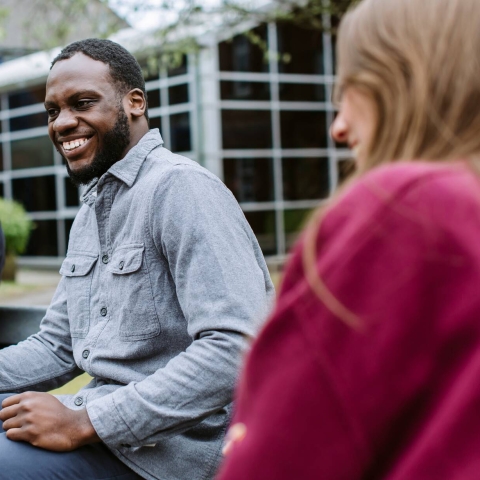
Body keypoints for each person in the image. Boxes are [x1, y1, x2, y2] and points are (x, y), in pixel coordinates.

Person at [217, 0, 480, 478]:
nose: (338, 128)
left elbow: (277, 460)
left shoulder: (405, 210)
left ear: (403, 79)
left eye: (347, 90)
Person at [0, 39, 274, 480]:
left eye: (82, 103)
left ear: (134, 103)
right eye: (53, 111)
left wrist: (85, 422)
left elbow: (235, 349)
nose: (64, 122)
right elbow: (57, 346)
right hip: (99, 421)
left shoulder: (182, 190)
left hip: (171, 452)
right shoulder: (93, 209)